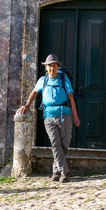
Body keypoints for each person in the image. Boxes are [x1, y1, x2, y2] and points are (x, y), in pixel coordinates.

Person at [18, 54, 81, 182]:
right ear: (46, 68)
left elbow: (71, 98)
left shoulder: (63, 79)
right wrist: (27, 105)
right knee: (55, 143)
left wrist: (75, 117)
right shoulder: (43, 80)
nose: (52, 68)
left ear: (57, 67)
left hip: (65, 115)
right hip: (48, 116)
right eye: (49, 66)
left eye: (54, 65)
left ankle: (56, 172)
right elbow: (34, 92)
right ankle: (65, 172)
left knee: (63, 145)